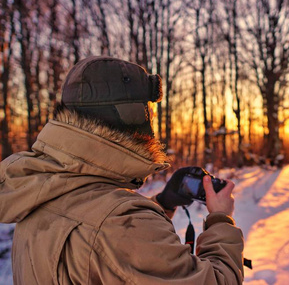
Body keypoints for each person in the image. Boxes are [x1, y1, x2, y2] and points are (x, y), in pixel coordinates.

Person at [0, 56, 244, 284]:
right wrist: (221, 218)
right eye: (148, 110)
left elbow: (94, 233)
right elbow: (217, 279)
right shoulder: (119, 224)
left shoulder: (36, 187)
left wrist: (162, 203)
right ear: (134, 116)